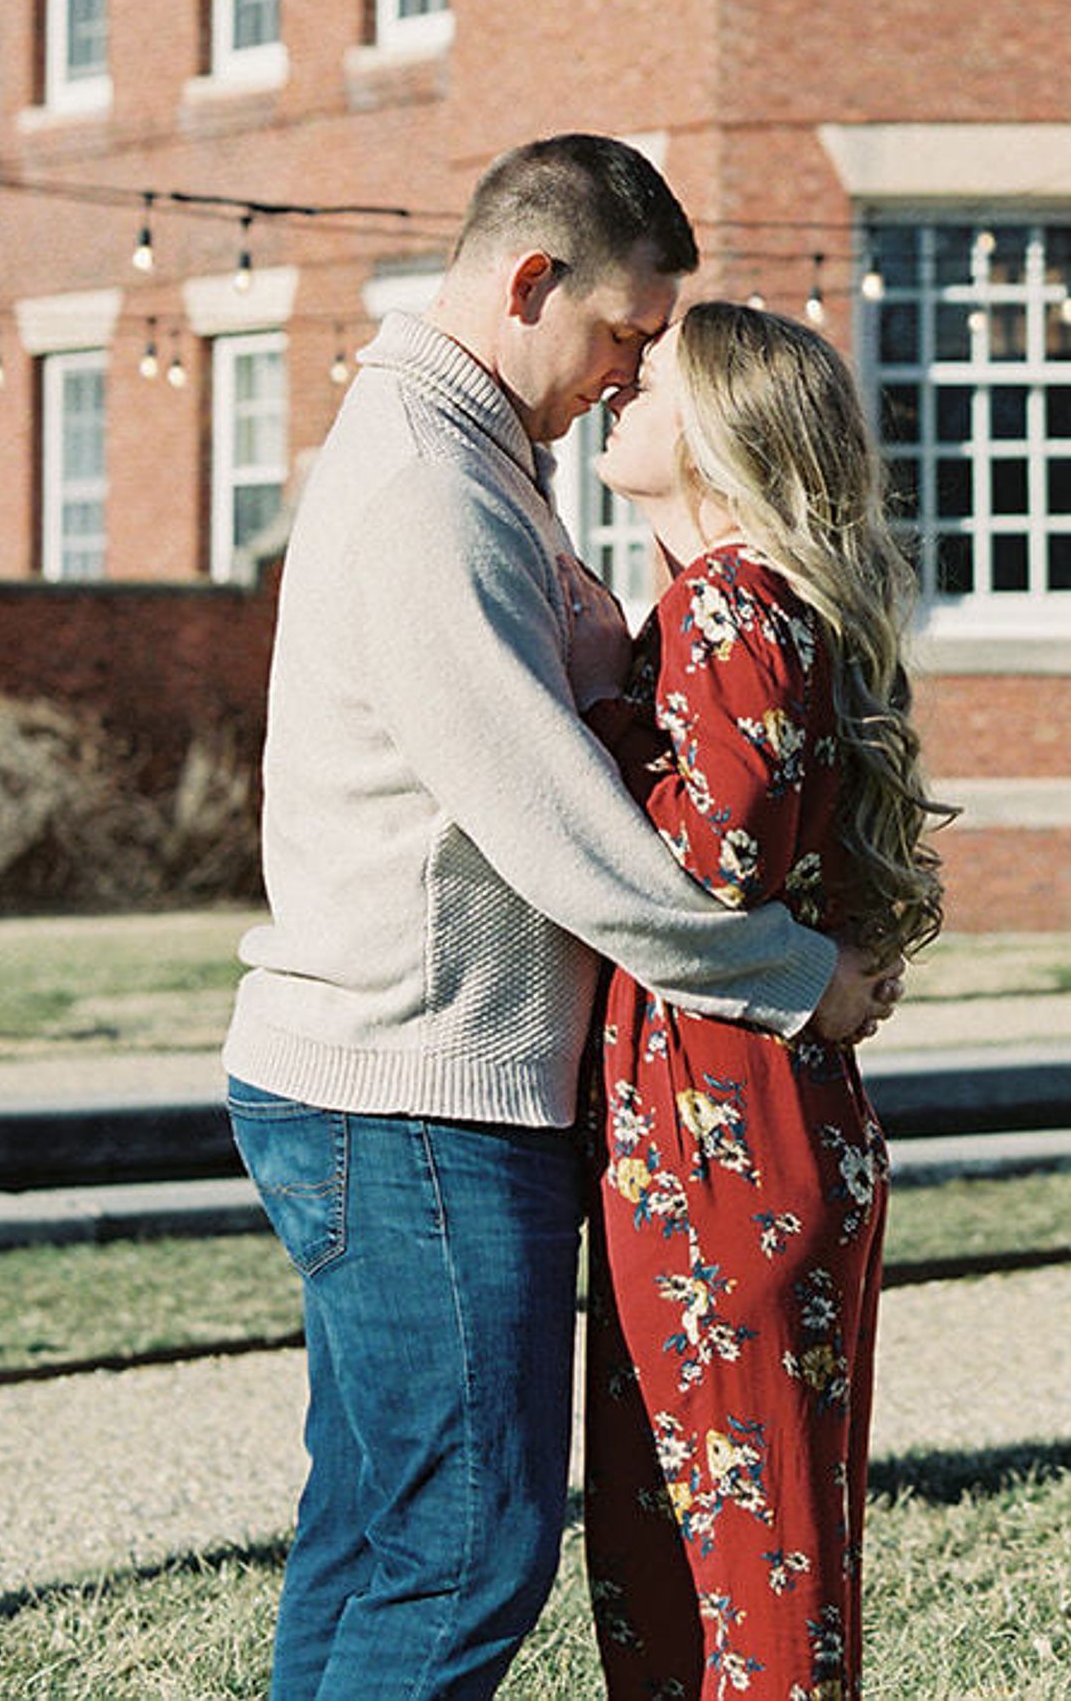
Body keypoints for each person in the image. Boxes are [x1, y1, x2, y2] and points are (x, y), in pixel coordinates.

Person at [225, 135, 896, 1701]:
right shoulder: (427, 488)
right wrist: (799, 975)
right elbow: (563, 836)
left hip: (393, 1080)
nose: (633, 375)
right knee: (467, 1543)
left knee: (378, 1532)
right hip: (412, 1091)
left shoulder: (472, 460)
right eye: (624, 336)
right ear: (531, 283)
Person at [577, 301, 949, 1701]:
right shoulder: (740, 604)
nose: (622, 387)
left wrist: (569, 734)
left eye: (654, 377)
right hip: (736, 1121)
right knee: (705, 1549)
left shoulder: (733, 601)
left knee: (743, 1568)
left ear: (721, 431)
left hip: (724, 1139)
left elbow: (704, 865)